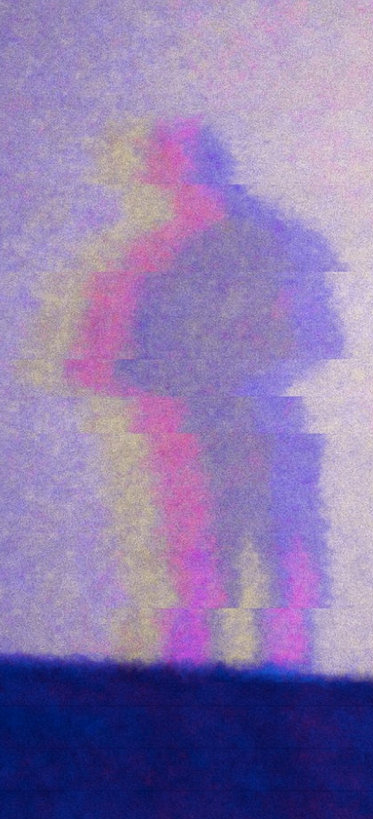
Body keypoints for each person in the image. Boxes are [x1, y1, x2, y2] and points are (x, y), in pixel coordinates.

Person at [66, 119, 344, 668]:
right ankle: (194, 691)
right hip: (183, 432)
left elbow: (315, 335)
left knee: (268, 565)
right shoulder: (146, 255)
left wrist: (229, 370)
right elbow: (95, 360)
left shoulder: (263, 244)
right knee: (195, 569)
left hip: (247, 426)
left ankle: (273, 690)